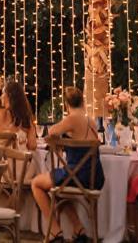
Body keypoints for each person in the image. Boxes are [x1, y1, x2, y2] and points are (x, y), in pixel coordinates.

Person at [31, 86, 103, 243]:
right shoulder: (91, 121)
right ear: (83, 102)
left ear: (66, 104)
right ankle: (79, 229)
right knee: (58, 189)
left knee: (36, 184)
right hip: (94, 177)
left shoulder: (72, 119)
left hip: (76, 174)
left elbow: (52, 132)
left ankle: (55, 232)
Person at [0, 80, 38, 150]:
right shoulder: (24, 117)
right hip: (16, 155)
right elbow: (32, 145)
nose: (2, 96)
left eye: (4, 93)